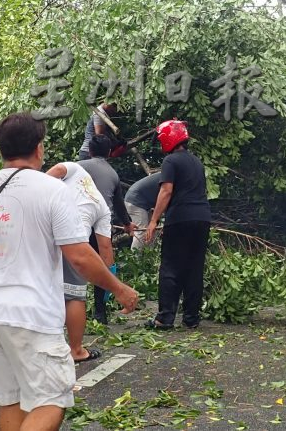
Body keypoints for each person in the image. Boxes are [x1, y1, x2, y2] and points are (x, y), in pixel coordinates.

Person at [0, 113, 138, 431]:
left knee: (11, 399)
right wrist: (119, 288)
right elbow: (79, 256)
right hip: (30, 314)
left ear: (1, 150)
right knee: (53, 398)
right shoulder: (53, 191)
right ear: (39, 148)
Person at [144, 119, 211, 329]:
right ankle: (191, 318)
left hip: (180, 217)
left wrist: (153, 221)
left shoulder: (171, 161)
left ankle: (165, 318)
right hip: (202, 218)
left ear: (167, 139)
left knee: (171, 267)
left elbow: (166, 191)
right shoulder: (196, 162)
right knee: (194, 267)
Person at [47, 161, 112, 363]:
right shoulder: (103, 206)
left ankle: (42, 344)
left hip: (45, 235)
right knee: (74, 296)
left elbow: (56, 171)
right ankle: (76, 350)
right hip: (75, 242)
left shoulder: (76, 168)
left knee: (45, 289)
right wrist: (110, 284)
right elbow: (105, 250)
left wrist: (36, 189)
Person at [78, 134, 135, 322]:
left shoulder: (78, 167)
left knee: (73, 265)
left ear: (90, 151)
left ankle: (71, 307)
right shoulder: (113, 174)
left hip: (78, 224)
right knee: (101, 266)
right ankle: (100, 313)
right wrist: (127, 224)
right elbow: (119, 205)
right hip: (101, 228)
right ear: (110, 152)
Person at [124, 172, 161, 250]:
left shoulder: (167, 175)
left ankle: (149, 258)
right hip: (136, 201)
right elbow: (164, 200)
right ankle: (134, 260)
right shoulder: (170, 178)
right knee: (141, 232)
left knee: (152, 231)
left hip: (143, 203)